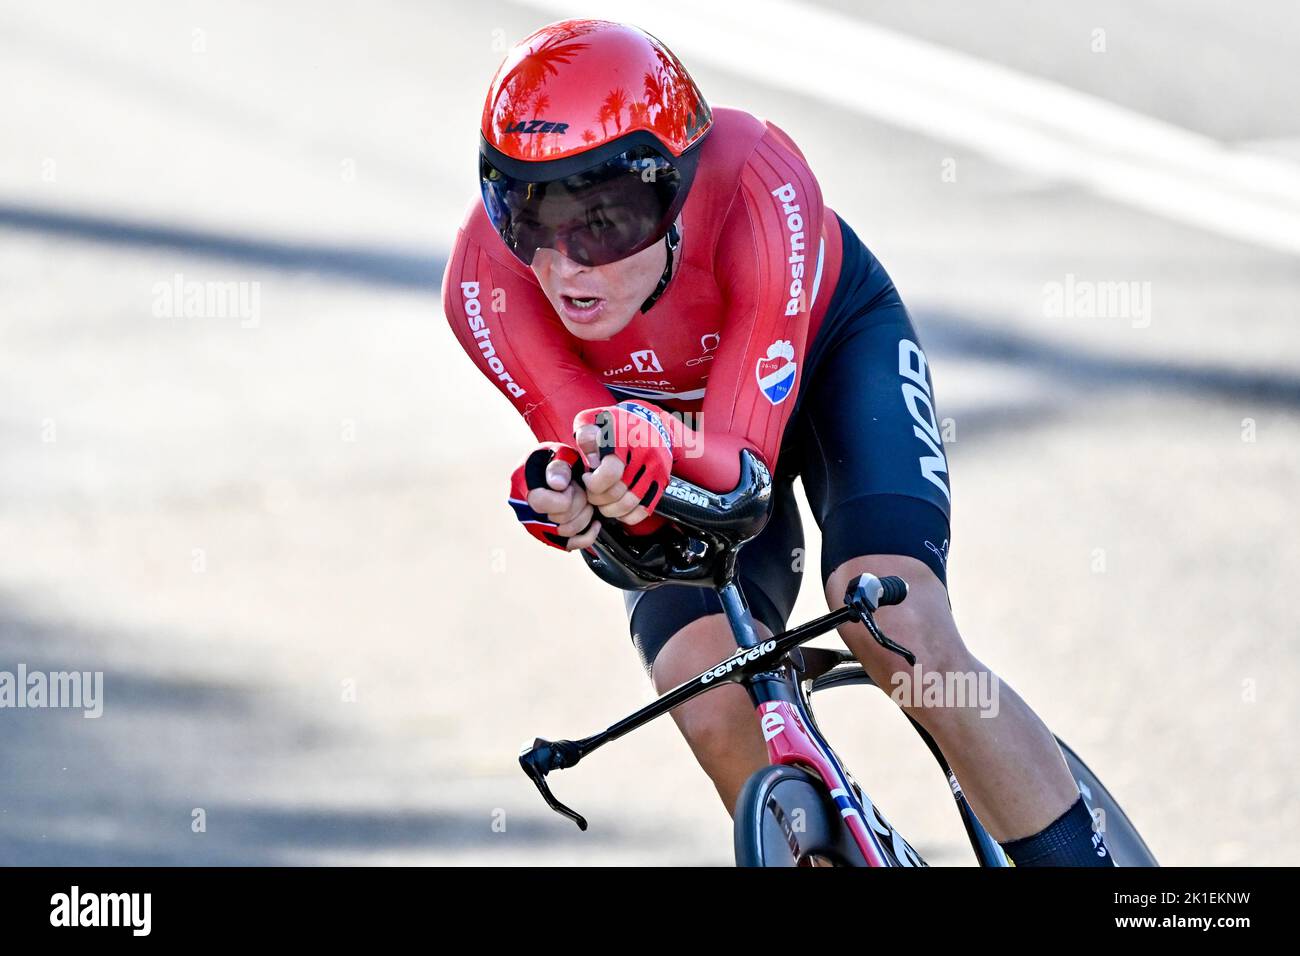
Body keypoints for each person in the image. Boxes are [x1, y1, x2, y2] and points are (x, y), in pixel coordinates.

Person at [443, 18, 1111, 866]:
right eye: (526, 214)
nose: (565, 266)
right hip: (682, 437)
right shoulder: (484, 282)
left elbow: (741, 475)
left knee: (897, 624)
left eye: (604, 222)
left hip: (825, 360)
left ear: (675, 188)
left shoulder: (758, 178)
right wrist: (585, 501)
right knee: (704, 688)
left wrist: (639, 444)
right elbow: (615, 484)